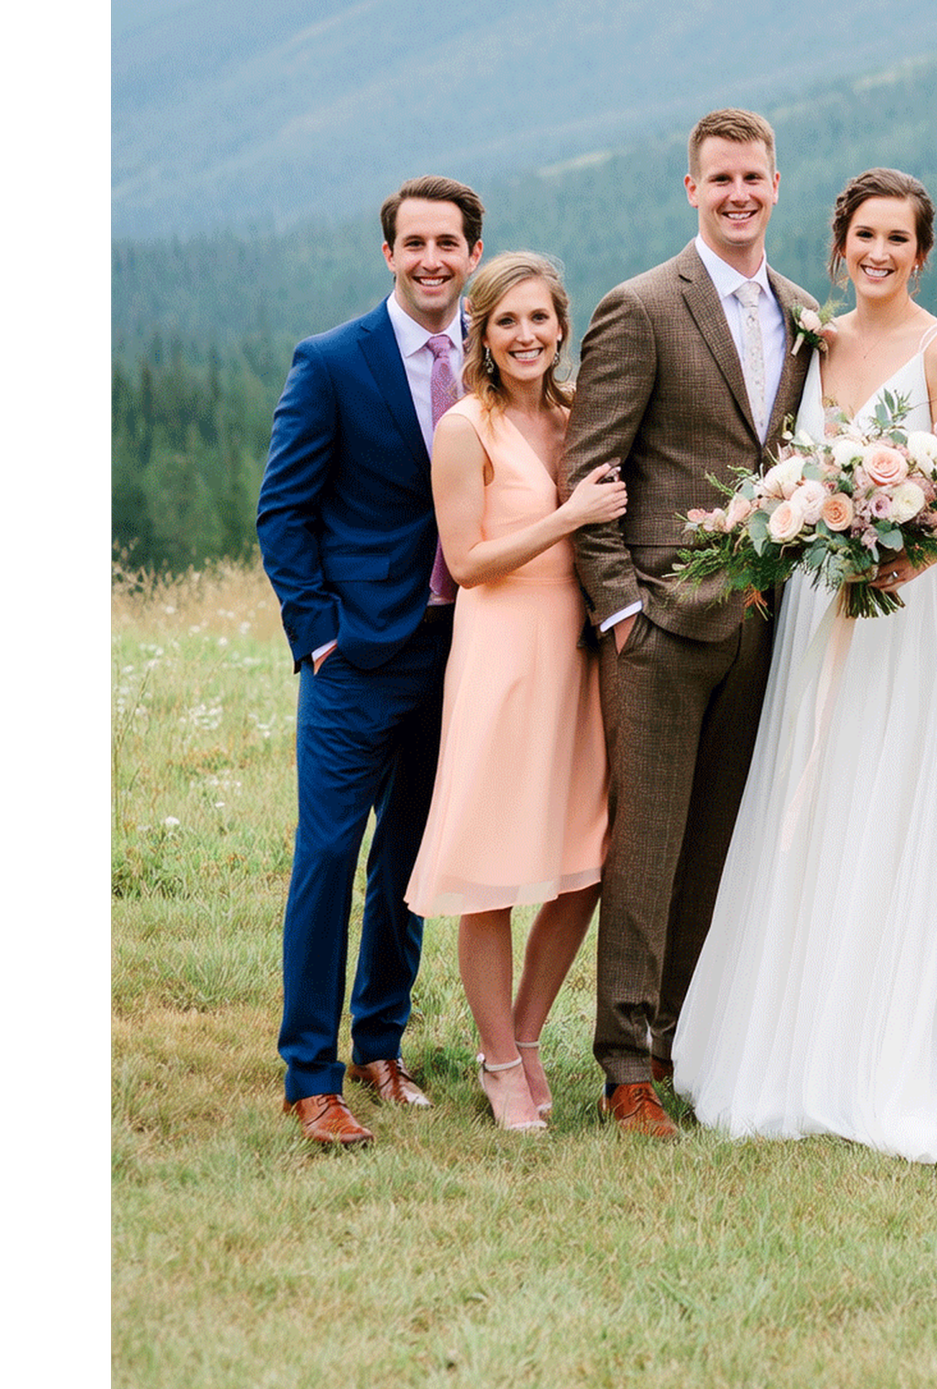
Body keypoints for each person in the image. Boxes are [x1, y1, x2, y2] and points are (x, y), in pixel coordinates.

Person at [670, 168, 937, 1164]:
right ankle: (784, 1048)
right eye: (865, 235)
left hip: (903, 614)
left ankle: (878, 1060)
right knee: (804, 811)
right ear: (840, 243)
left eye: (898, 239)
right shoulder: (813, 340)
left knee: (886, 812)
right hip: (816, 605)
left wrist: (907, 547)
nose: (879, 253)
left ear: (922, 254)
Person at [563, 110, 820, 1140]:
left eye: (753, 177)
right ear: (691, 189)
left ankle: (675, 1042)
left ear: (776, 183)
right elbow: (592, 469)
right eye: (720, 179)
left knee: (716, 844)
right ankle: (623, 1067)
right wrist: (623, 610)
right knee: (646, 848)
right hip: (660, 627)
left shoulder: (804, 313)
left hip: (762, 623)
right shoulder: (640, 306)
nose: (738, 194)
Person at [257, 175, 483, 1146]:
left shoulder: (495, 354)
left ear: (473, 253)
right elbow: (282, 512)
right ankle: (310, 1075)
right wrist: (319, 634)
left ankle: (379, 1044)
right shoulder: (332, 361)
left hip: (460, 649)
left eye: (448, 243)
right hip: (354, 656)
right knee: (328, 855)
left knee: (411, 857)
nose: (432, 259)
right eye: (414, 243)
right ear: (388, 253)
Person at [406, 253, 626, 1134]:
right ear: (483, 335)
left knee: (588, 858)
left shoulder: (577, 418)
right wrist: (568, 516)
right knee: (492, 869)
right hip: (502, 653)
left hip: (577, 656)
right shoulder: (467, 427)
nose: (526, 335)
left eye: (539, 318)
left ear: (562, 326)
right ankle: (498, 1062)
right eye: (507, 321)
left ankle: (527, 1034)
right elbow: (466, 561)